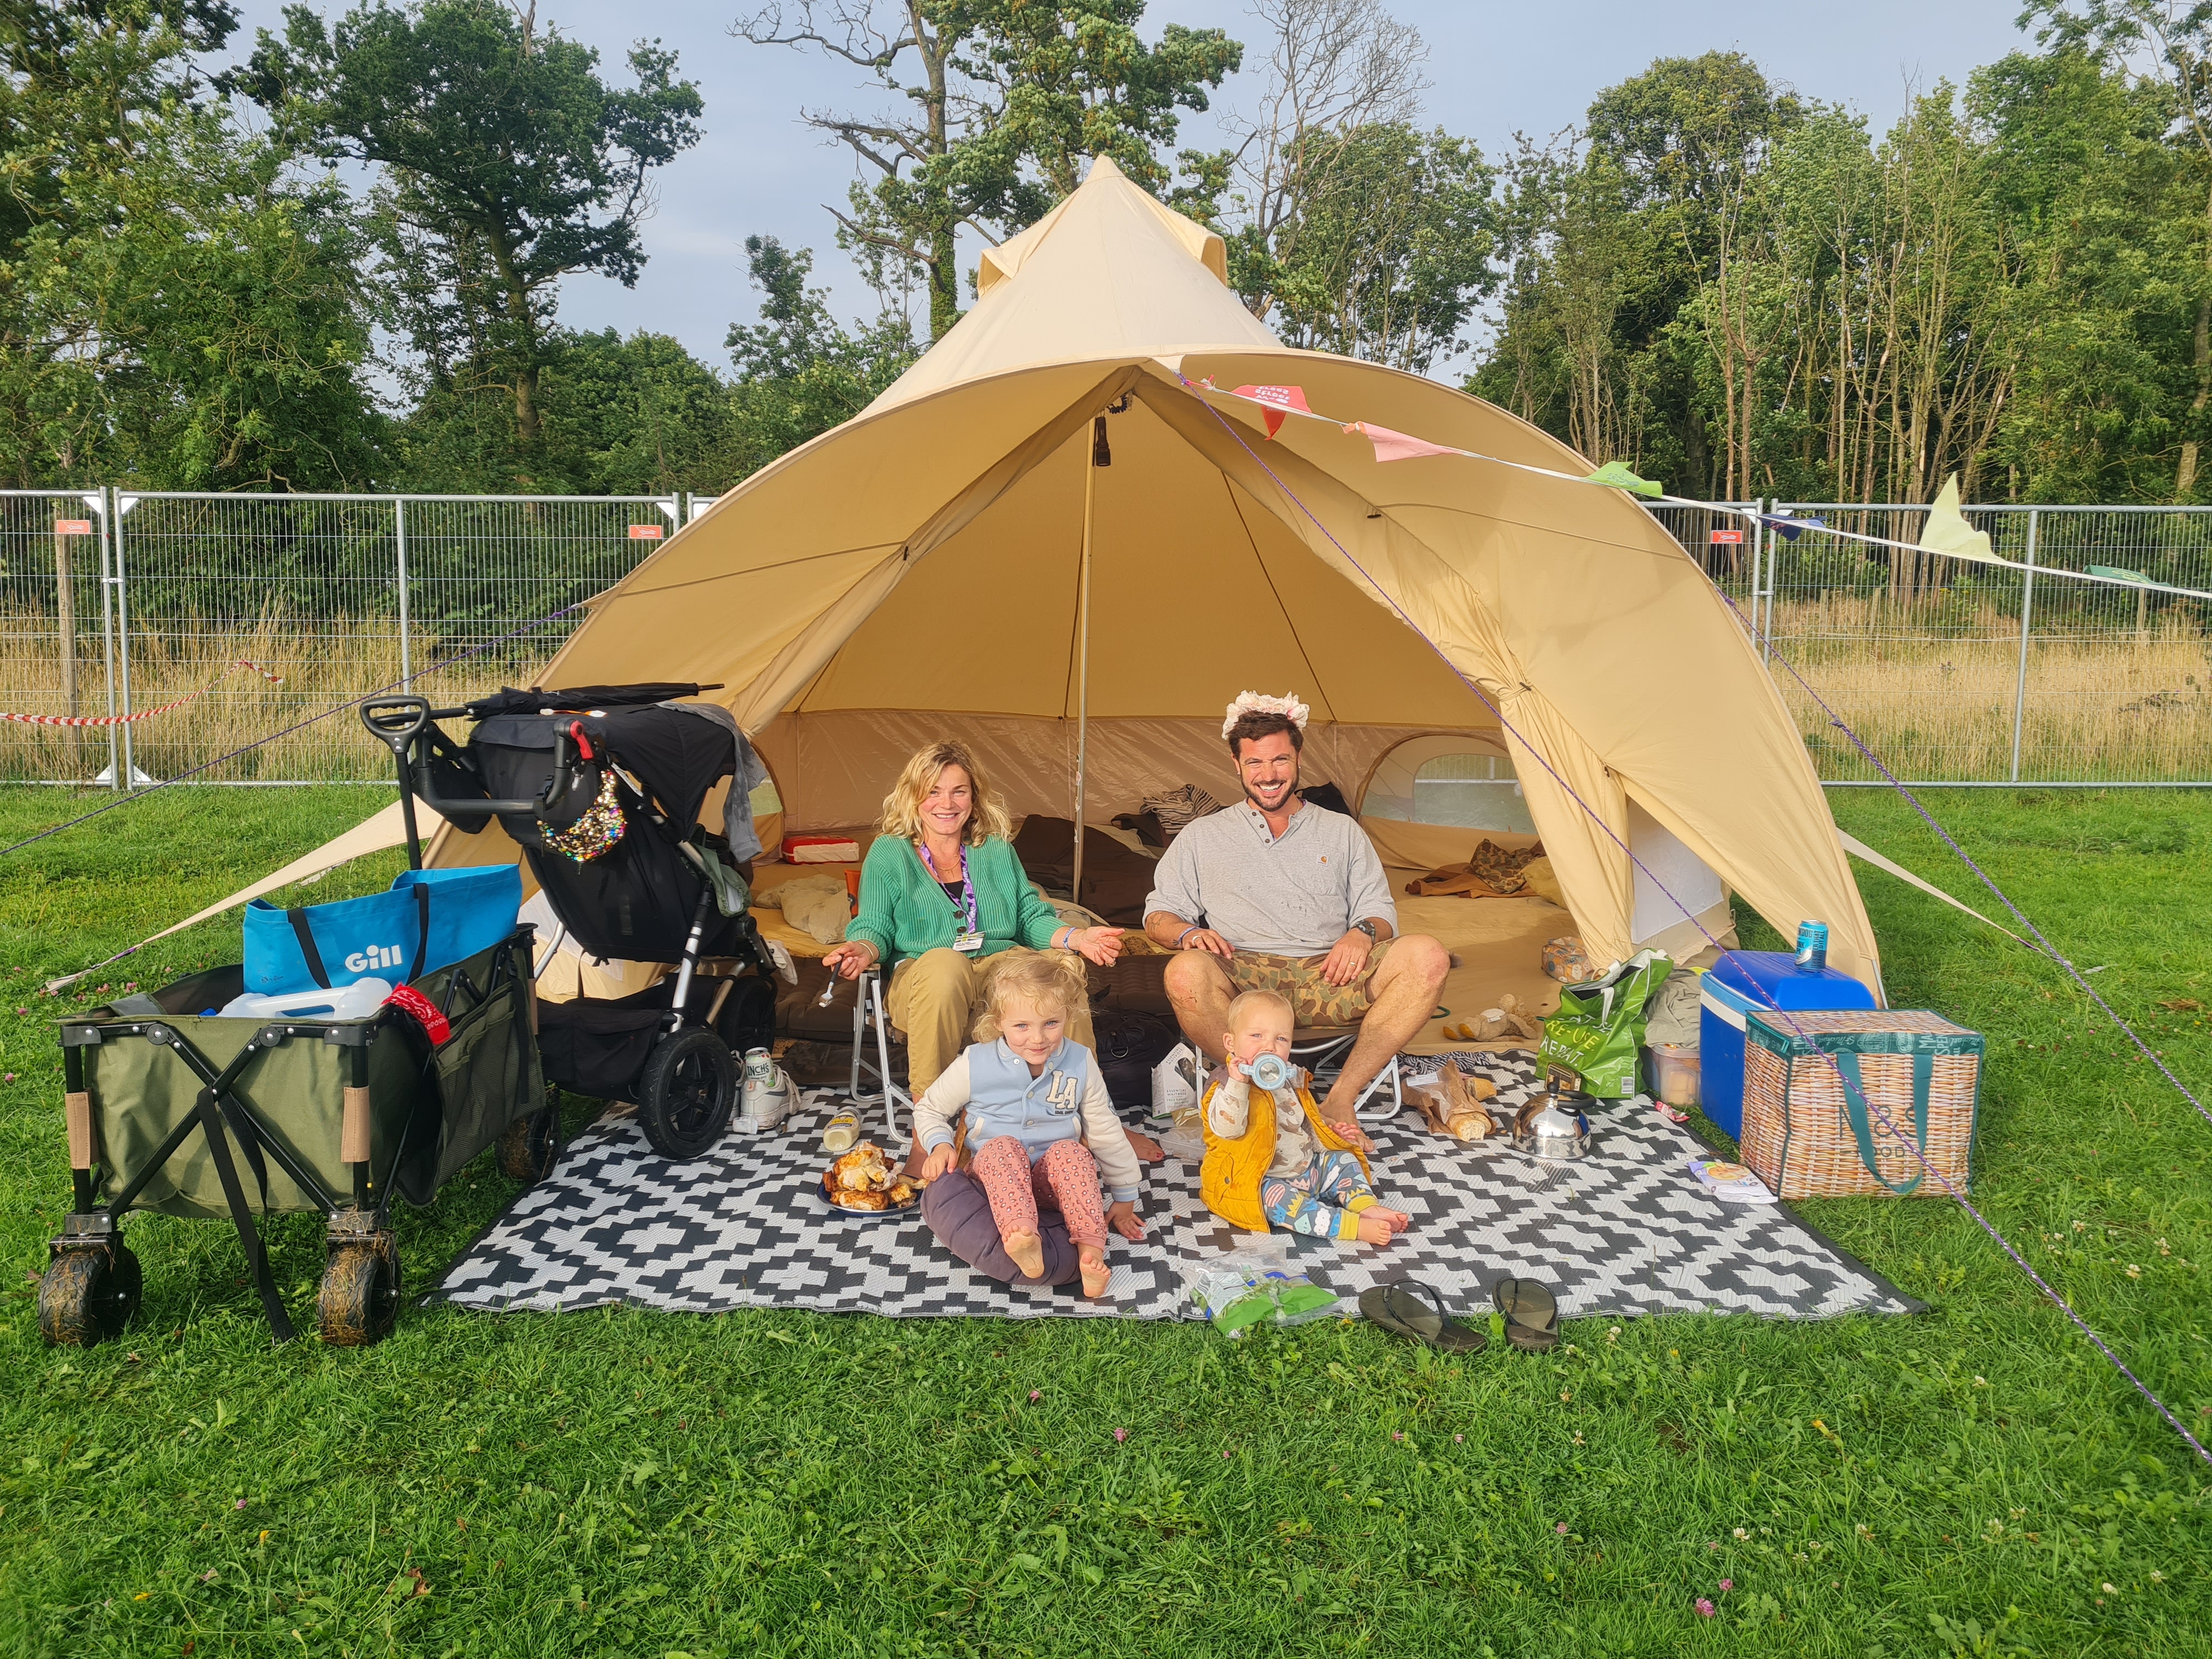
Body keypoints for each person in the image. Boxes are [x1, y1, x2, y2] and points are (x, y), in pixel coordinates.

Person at [1142, 691, 1452, 1135]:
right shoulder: (1201, 836)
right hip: (1241, 976)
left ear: (1299, 758)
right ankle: (1258, 1090)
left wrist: (1361, 933)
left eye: (1280, 761)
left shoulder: (1341, 831)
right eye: (1255, 764)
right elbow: (1159, 916)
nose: (1269, 776)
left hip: (1331, 974)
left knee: (1428, 955)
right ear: (1237, 765)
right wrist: (1188, 933)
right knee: (1183, 970)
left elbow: (1380, 911)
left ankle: (1341, 1098)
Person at [821, 740, 1125, 1097]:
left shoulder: (995, 849)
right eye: (933, 792)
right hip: (925, 975)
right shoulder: (890, 852)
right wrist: (862, 947)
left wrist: (1077, 937)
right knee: (946, 965)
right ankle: (928, 1122)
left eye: (958, 792)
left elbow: (1030, 916)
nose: (946, 804)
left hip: (1001, 970)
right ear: (914, 797)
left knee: (1059, 970)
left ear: (974, 798)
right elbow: (875, 925)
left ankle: (1085, 1110)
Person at [912, 953, 1147, 1297]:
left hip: (1052, 1184)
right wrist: (940, 1144)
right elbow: (930, 1109)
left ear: (1068, 1015)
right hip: (992, 1179)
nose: (1037, 1038)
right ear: (998, 1022)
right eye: (1022, 1026)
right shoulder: (976, 1062)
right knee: (1003, 1146)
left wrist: (1125, 1195)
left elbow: (1106, 1130)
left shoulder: (1080, 1061)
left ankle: (1091, 1257)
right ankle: (1022, 1238)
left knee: (1072, 1153)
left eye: (1051, 1023)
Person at [1201, 989, 1409, 1244]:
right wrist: (1238, 1084)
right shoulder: (1224, 1087)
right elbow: (1228, 1130)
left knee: (1343, 1158)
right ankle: (1350, 1226)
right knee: (1279, 1201)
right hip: (1255, 1181)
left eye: (1282, 1039)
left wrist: (1329, 1133)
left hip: (1306, 1170)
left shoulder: (1290, 1080)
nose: (1270, 1046)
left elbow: (1304, 1123)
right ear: (1231, 1043)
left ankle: (1364, 1205)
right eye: (1257, 1036)